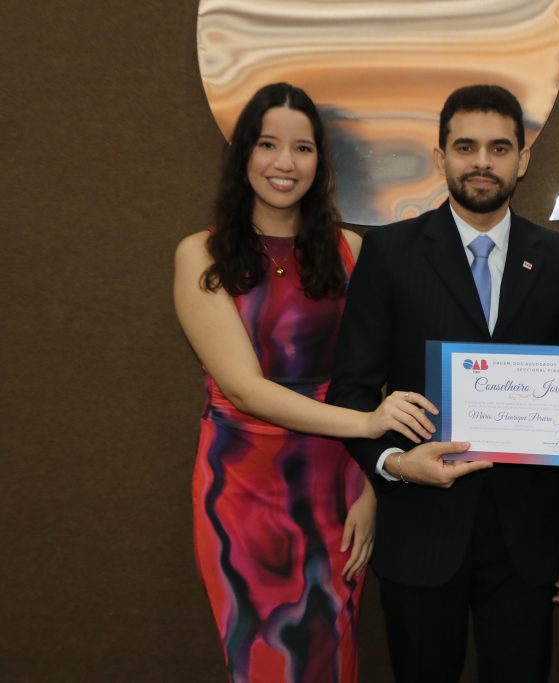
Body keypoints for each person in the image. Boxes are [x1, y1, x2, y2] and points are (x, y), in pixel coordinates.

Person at [326, 84, 559, 682]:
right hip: (420, 530)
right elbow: (351, 392)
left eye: (499, 148)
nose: (482, 162)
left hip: (527, 545)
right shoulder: (390, 253)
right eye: (466, 147)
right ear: (440, 156)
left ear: (523, 160)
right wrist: (395, 464)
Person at [174, 82, 436, 683]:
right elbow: (246, 390)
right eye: (268, 144)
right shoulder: (200, 255)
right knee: (264, 659)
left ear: (320, 162)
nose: (284, 163)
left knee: (333, 655)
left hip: (338, 487)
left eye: (302, 148)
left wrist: (372, 489)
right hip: (241, 494)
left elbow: (370, 377)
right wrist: (369, 424)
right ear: (243, 153)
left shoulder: (351, 250)